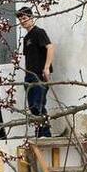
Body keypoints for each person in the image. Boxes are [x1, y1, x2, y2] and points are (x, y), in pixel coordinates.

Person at [17, 7, 56, 138]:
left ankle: (45, 133)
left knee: (38, 104)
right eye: (20, 19)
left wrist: (46, 67)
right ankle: (40, 132)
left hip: (39, 74)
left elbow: (50, 47)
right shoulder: (26, 38)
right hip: (29, 75)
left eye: (24, 18)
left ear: (31, 17)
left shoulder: (39, 32)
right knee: (33, 108)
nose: (23, 21)